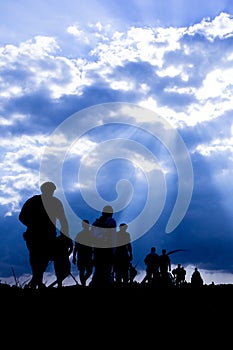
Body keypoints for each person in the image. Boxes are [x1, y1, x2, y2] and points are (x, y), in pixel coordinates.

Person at [19, 181, 69, 289]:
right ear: (44, 190)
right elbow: (22, 217)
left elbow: (63, 220)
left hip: (46, 236)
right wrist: (34, 225)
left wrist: (65, 235)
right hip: (35, 236)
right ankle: (37, 282)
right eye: (50, 190)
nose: (51, 192)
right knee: (37, 259)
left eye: (52, 190)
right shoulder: (34, 201)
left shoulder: (54, 202)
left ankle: (36, 282)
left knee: (42, 259)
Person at [90, 205, 117, 287]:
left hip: (97, 248)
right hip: (107, 248)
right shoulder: (111, 222)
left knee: (98, 268)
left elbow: (92, 235)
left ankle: (96, 283)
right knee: (106, 268)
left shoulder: (96, 222)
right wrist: (113, 251)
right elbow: (112, 237)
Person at [73, 219, 94, 286]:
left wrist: (74, 256)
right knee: (85, 271)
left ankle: (83, 282)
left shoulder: (81, 234)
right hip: (84, 255)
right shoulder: (81, 235)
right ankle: (83, 283)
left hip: (85, 255)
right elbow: (76, 247)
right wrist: (74, 256)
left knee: (87, 271)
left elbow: (76, 247)